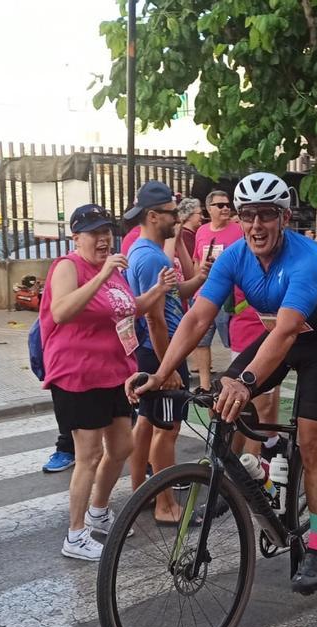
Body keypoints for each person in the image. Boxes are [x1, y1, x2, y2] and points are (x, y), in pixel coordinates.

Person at [129, 171, 317, 595]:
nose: (256, 226)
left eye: (266, 215)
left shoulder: (305, 258)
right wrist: (162, 371)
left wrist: (245, 381)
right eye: (248, 215)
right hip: (278, 337)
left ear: (284, 218)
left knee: (311, 440)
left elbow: (286, 331)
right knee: (224, 402)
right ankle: (262, 471)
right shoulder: (234, 256)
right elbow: (197, 317)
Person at [40, 203, 172, 561]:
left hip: (114, 372)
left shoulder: (115, 271)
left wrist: (158, 290)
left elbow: (129, 309)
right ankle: (75, 534)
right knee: (89, 455)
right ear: (76, 237)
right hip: (77, 373)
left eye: (106, 232)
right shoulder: (68, 266)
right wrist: (99, 276)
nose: (103, 239)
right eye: (94, 233)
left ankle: (99, 510)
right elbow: (62, 310)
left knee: (121, 448)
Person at [124, 182, 206, 525]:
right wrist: (167, 367)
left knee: (146, 422)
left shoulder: (151, 253)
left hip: (156, 352)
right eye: (173, 213)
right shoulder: (150, 257)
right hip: (161, 352)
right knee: (167, 429)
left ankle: (139, 491)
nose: (179, 217)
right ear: (153, 216)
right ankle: (165, 505)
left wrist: (201, 276)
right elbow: (156, 319)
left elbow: (173, 297)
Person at [190, 190, 239, 389]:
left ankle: (233, 381)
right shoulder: (201, 231)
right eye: (220, 205)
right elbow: (196, 261)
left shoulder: (238, 230)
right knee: (201, 339)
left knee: (232, 341)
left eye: (228, 204)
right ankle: (205, 385)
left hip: (230, 294)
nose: (226, 208)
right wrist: (197, 281)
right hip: (204, 293)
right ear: (209, 209)